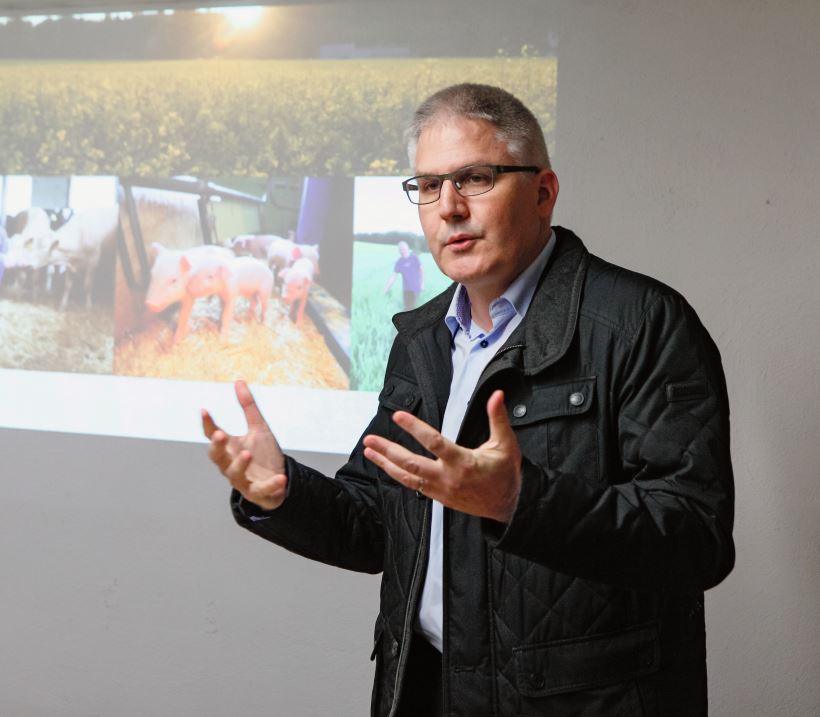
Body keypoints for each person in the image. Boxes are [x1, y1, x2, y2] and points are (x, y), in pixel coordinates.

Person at [203, 83, 734, 717]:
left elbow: (696, 537)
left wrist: (519, 502)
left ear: (543, 192)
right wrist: (281, 492)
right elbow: (376, 523)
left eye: (475, 178)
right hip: (425, 691)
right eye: (428, 186)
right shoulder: (422, 339)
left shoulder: (642, 323)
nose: (449, 208)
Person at [384, 239, 424, 309]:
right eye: (401, 249)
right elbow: (393, 277)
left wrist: (422, 283)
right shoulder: (399, 262)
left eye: (404, 248)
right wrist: (386, 288)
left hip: (416, 288)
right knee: (408, 308)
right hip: (406, 290)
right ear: (399, 251)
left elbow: (421, 271)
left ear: (407, 248)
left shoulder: (414, 258)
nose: (402, 251)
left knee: (415, 308)